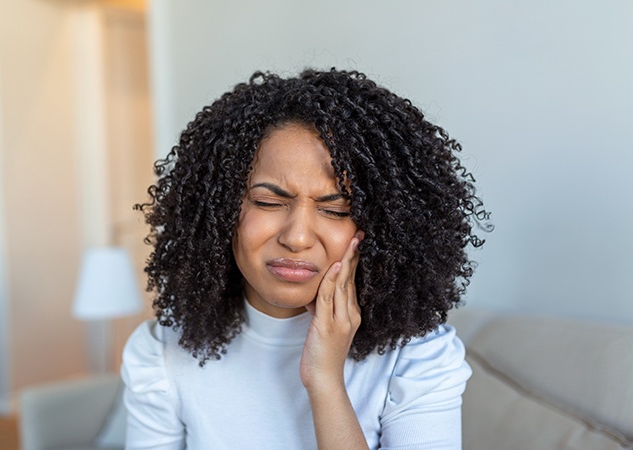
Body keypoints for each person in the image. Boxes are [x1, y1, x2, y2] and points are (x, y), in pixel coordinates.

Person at [121, 69, 491, 449]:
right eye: (268, 202)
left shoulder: (417, 358)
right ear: (220, 210)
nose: (296, 238)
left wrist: (326, 381)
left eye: (335, 210)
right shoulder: (161, 355)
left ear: (384, 226)